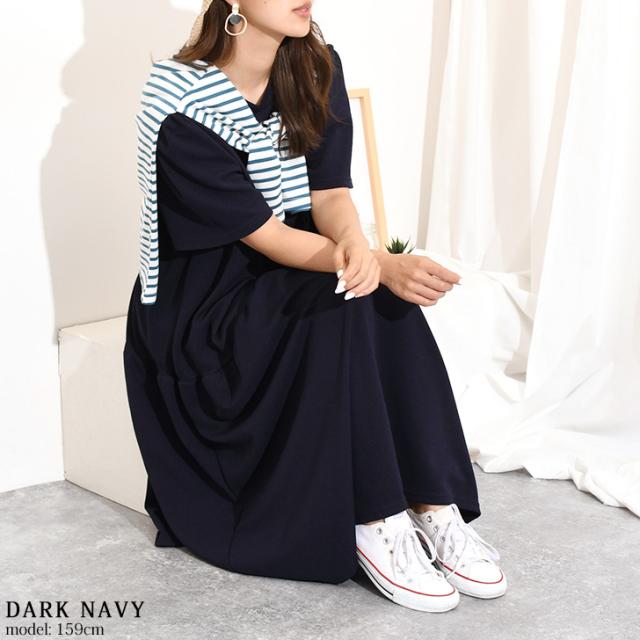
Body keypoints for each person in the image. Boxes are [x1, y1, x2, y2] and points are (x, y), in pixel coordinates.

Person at [123, 0, 507, 614]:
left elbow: (330, 193)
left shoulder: (315, 65)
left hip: (287, 267)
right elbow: (266, 236)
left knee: (376, 294)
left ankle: (432, 505)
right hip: (205, 309)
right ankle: (374, 519)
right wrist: (373, 263)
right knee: (353, 293)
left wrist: (358, 247)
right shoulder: (180, 104)